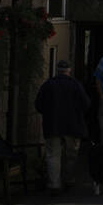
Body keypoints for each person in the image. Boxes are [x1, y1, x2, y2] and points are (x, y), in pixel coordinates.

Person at [35, 61, 91, 196]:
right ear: (69, 71)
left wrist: (49, 113)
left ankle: (54, 184)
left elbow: (38, 105)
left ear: (57, 71)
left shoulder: (48, 85)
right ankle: (68, 179)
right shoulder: (76, 85)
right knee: (71, 155)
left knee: (53, 155)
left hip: (53, 125)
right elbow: (86, 104)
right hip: (73, 126)